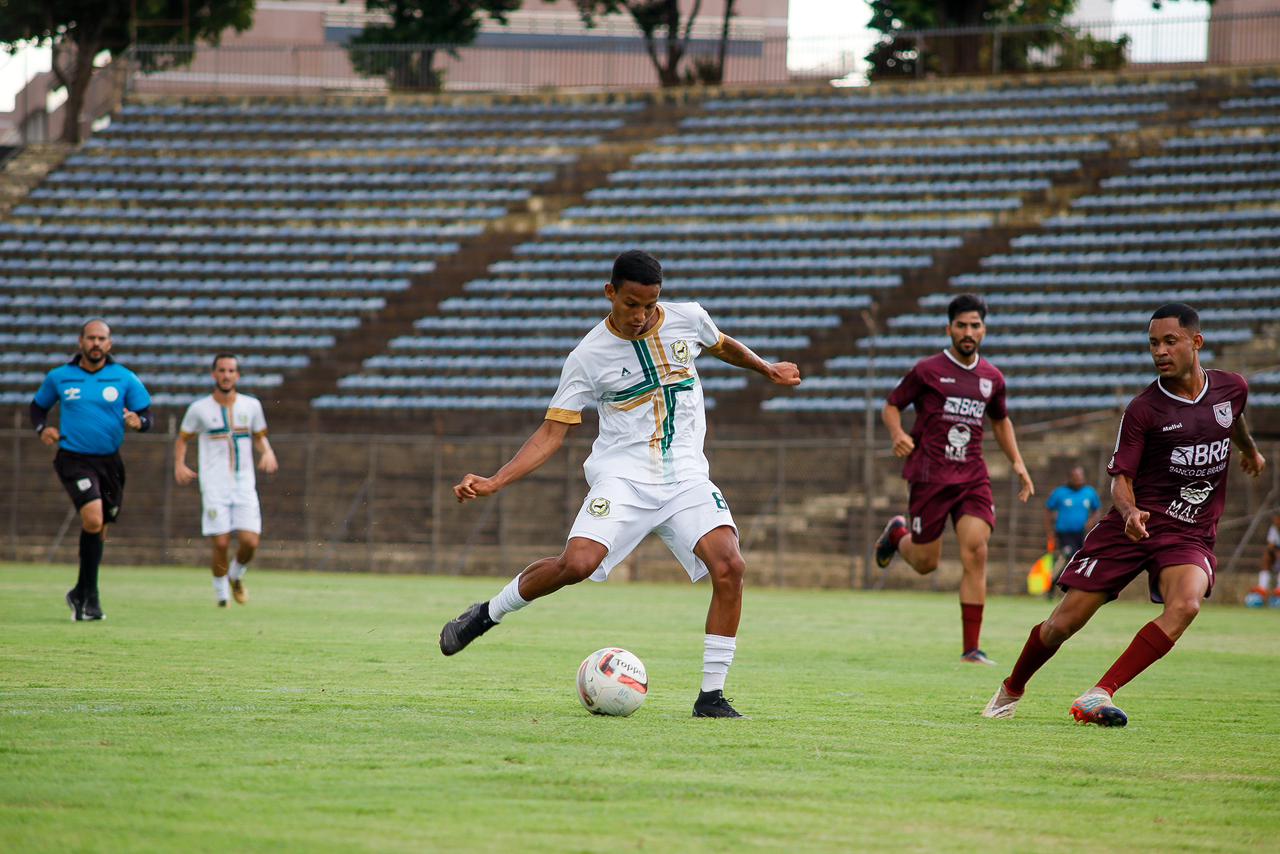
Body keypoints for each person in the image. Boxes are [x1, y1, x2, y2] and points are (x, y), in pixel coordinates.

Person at [437, 250, 801, 718]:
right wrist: (494, 481)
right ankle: (487, 614)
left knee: (730, 567)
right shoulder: (588, 357)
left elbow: (722, 344)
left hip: (686, 477)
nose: (641, 315)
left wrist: (766, 368)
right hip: (624, 478)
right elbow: (551, 432)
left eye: (650, 305)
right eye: (631, 304)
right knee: (578, 564)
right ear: (610, 293)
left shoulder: (688, 318)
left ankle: (711, 698)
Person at [982, 303, 1265, 726]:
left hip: (1190, 532)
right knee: (1063, 623)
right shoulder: (1144, 409)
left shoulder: (1232, 388)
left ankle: (1100, 693)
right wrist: (1131, 512)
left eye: (1170, 341)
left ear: (1196, 342)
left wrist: (1250, 451)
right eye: (1153, 343)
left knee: (1186, 605)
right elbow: (1119, 479)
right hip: (1132, 527)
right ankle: (1011, 688)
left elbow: (1233, 420)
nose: (1160, 351)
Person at [873, 293, 1035, 665]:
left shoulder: (992, 378)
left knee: (976, 550)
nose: (968, 332)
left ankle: (971, 650)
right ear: (948, 329)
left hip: (972, 477)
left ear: (984, 329)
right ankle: (898, 535)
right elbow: (892, 404)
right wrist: (898, 434)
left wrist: (1018, 463)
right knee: (926, 562)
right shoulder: (927, 370)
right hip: (930, 476)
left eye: (975, 325)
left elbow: (1000, 420)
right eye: (961, 325)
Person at [30, 319, 153, 621]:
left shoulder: (123, 378)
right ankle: (92, 596)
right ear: (80, 341)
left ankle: (81, 593)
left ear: (109, 344)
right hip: (73, 458)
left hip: (109, 462)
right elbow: (37, 408)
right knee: (94, 517)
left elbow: (147, 414)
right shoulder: (60, 377)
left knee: (100, 527)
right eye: (91, 338)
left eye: (102, 338)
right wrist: (42, 428)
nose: (96, 343)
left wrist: (141, 423)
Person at [175, 354, 277, 607]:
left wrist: (268, 451)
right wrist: (180, 463)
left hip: (244, 483)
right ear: (214, 374)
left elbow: (259, 435)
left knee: (250, 541)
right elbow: (183, 438)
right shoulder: (199, 409)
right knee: (220, 542)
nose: (226, 375)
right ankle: (221, 594)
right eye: (221, 370)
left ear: (237, 375)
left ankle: (236, 574)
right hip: (214, 484)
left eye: (231, 370)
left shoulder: (251, 406)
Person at [1044, 466, 1102, 596]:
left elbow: (1097, 510)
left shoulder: (1089, 492)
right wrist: (1049, 531)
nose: (1078, 479)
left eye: (1080, 476)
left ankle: (1063, 586)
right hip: (1064, 534)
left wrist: (1091, 521)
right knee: (1069, 555)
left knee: (1077, 559)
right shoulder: (1060, 493)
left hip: (1081, 534)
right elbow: (1048, 510)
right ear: (1070, 478)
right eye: (1075, 476)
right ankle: (1057, 585)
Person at [1246, 512, 1280, 608]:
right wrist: (1276, 553)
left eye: (1277, 519)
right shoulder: (1274, 529)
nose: (1275, 521)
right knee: (1267, 556)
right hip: (1277, 554)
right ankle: (1262, 589)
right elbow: (1271, 546)